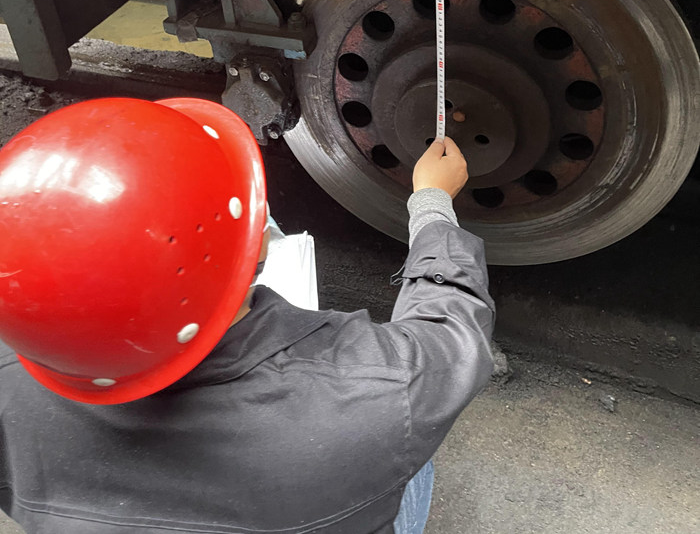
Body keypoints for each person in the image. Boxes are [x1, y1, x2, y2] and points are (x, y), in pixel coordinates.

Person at [0, 96, 495, 534]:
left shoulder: (10, 379)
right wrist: (431, 204)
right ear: (258, 248)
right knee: (413, 451)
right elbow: (448, 330)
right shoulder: (375, 391)